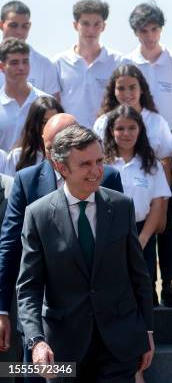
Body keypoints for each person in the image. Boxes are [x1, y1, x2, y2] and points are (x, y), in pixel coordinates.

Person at [16, 124, 154, 381]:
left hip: (119, 344)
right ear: (61, 167)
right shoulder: (39, 215)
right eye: (85, 164)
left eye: (99, 161)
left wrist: (146, 331)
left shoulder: (121, 206)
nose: (96, 171)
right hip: (64, 348)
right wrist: (36, 341)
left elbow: (139, 274)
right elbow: (29, 287)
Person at [0, 114, 123, 364]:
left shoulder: (107, 178)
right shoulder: (27, 181)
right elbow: (10, 247)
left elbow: (122, 256)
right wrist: (2, 309)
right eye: (50, 146)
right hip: (44, 326)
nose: (55, 152)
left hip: (100, 325)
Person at [103, 105, 171, 305]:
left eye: (132, 128)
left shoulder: (151, 164)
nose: (126, 133)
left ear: (140, 130)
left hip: (142, 233)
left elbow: (158, 203)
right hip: (108, 235)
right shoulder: (101, 163)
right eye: (120, 128)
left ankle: (145, 336)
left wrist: (142, 238)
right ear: (110, 131)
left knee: (143, 290)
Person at [123, 2, 172, 131]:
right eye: (144, 31)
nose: (150, 36)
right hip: (135, 137)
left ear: (161, 29)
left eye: (154, 29)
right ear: (135, 32)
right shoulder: (125, 64)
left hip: (171, 136)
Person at [54, 0, 122, 128]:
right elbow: (54, 104)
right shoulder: (59, 62)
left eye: (97, 24)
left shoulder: (118, 61)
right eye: (85, 24)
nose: (91, 30)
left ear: (104, 26)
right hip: (69, 136)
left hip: (106, 137)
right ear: (75, 25)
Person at [0, 1, 59, 96]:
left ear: (29, 26)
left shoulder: (44, 65)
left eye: (24, 26)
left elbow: (53, 107)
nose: (19, 32)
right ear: (1, 25)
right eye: (13, 25)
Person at [0, 37, 48, 151]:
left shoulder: (46, 103)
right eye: (14, 63)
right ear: (2, 67)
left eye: (25, 62)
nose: (21, 67)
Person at [4, 95, 63, 175]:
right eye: (44, 122)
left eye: (54, 121)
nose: (50, 126)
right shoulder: (17, 157)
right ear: (34, 124)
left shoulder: (71, 155)